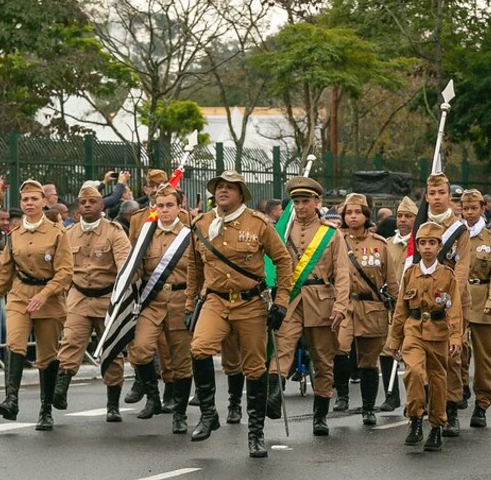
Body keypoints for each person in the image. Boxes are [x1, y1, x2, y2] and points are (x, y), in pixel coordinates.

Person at [185, 172, 292, 458]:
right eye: (219, 187)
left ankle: (255, 434)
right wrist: (188, 305)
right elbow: (194, 267)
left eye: (229, 188)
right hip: (215, 301)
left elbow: (283, 260)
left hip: (250, 303)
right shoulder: (202, 224)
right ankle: (209, 414)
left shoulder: (257, 224)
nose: (222, 191)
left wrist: (281, 301)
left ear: (241, 194)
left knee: (255, 368)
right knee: (199, 348)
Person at [0, 179, 73, 431]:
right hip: (20, 295)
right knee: (15, 343)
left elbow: (65, 272)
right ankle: (11, 400)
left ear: (44, 201)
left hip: (49, 299)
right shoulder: (14, 236)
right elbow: (4, 274)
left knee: (47, 356)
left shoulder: (57, 233)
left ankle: (45, 410)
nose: (29, 203)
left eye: (34, 199)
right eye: (25, 200)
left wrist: (46, 294)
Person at [269, 176, 349, 437]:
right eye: (296, 201)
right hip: (290, 299)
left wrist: (341, 306)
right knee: (282, 349)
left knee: (323, 360)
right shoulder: (284, 230)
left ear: (317, 202)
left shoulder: (331, 233)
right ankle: (273, 396)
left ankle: (320, 415)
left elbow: (343, 273)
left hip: (321, 300)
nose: (300, 206)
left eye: (305, 201)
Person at [52, 185, 131, 421]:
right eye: (83, 202)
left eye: (92, 201)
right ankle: (60, 390)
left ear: (101, 205)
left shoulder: (115, 232)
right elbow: (60, 266)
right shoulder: (68, 234)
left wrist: (121, 296)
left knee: (112, 351)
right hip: (79, 295)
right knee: (71, 341)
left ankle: (112, 404)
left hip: (107, 297)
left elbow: (125, 265)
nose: (87, 205)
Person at [388, 222, 463, 451]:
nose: (427, 247)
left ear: (439, 246)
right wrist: (394, 340)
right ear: (417, 247)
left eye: (432, 243)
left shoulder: (447, 276)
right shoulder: (410, 273)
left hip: (438, 332)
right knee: (414, 372)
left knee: (439, 380)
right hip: (413, 330)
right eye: (423, 243)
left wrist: (455, 338)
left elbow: (454, 309)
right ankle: (415, 419)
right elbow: (401, 308)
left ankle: (437, 426)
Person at [127, 184, 194, 429]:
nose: (164, 210)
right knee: (141, 350)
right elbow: (135, 270)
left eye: (169, 205)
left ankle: (180, 413)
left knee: (180, 361)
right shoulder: (146, 235)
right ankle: (153, 398)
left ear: (179, 208)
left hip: (180, 301)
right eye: (160, 206)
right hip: (152, 302)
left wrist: (194, 303)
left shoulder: (190, 235)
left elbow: (199, 272)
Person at [336, 193, 399, 425]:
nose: (353, 217)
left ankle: (368, 408)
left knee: (368, 361)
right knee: (340, 348)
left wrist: (399, 311)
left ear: (366, 215)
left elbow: (391, 281)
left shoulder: (379, 244)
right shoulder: (335, 240)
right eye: (349, 213)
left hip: (371, 307)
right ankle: (341, 395)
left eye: (358, 212)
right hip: (343, 305)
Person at [424, 173, 470, 437]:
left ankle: (451, 409)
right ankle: (428, 407)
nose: (437, 198)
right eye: (433, 194)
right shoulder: (422, 224)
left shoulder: (459, 229)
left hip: (451, 299)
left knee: (451, 355)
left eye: (442, 193)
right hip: (422, 299)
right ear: (427, 196)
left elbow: (462, 266)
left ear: (448, 195)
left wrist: (451, 294)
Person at [460, 189, 491, 427]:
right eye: (465, 209)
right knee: (457, 352)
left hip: (482, 301)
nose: (469, 213)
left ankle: (482, 403)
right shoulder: (455, 236)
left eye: (473, 208)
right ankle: (459, 391)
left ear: (482, 209)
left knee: (484, 357)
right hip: (458, 301)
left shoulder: (490, 240)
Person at [378, 196, 417, 411]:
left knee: (412, 349)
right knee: (388, 347)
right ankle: (390, 395)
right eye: (400, 216)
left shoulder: (420, 242)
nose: (402, 220)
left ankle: (416, 397)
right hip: (392, 303)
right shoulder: (387, 244)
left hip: (413, 303)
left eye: (408, 216)